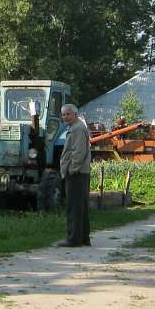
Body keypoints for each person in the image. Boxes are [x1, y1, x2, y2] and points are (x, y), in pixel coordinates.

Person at [57, 103, 91, 247]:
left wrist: (72, 169)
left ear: (75, 114)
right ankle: (83, 238)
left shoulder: (77, 128)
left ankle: (73, 239)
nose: (65, 117)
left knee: (74, 207)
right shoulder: (75, 127)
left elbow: (78, 152)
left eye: (68, 114)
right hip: (80, 172)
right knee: (81, 206)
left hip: (76, 173)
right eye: (63, 114)